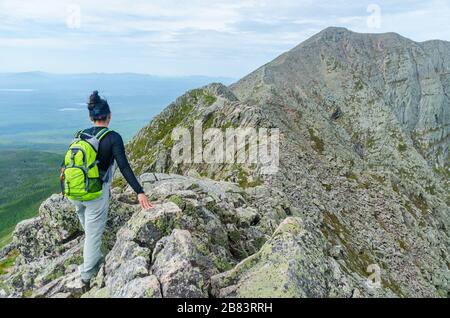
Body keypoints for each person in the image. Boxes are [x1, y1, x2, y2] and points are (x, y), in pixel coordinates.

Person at [67, 91, 153, 291]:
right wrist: (139, 191)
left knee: (89, 230)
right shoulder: (113, 137)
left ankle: (93, 259)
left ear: (91, 117)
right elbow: (124, 167)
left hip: (74, 192)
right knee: (92, 235)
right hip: (95, 195)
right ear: (109, 115)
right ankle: (87, 276)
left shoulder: (81, 135)